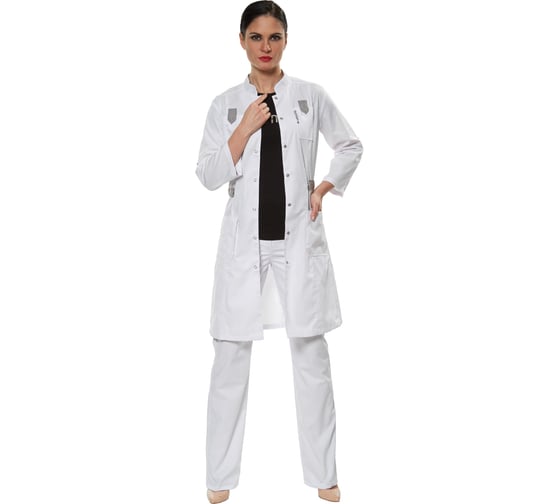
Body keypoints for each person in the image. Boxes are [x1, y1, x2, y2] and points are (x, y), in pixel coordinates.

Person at [196, 2, 362, 502]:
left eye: (274, 37)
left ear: (286, 40)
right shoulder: (226, 104)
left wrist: (325, 186)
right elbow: (207, 175)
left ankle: (325, 475)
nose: (265, 47)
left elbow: (350, 145)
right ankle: (219, 478)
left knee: (311, 357)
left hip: (297, 243)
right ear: (241, 41)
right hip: (243, 249)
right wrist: (243, 128)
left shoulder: (310, 96)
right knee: (229, 359)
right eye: (256, 37)